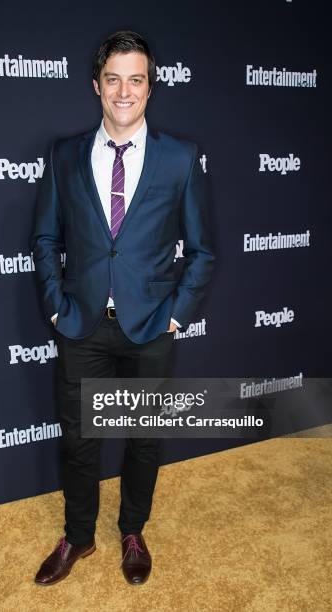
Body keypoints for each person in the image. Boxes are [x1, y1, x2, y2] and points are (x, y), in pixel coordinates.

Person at [30, 30, 214, 586]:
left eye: (136, 79)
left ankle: (132, 529)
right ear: (97, 86)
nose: (124, 90)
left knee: (143, 439)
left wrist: (176, 313)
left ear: (150, 89)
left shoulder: (179, 157)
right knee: (79, 441)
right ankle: (78, 536)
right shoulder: (64, 154)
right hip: (81, 325)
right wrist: (57, 308)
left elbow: (203, 251)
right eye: (114, 79)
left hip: (150, 327)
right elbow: (45, 239)